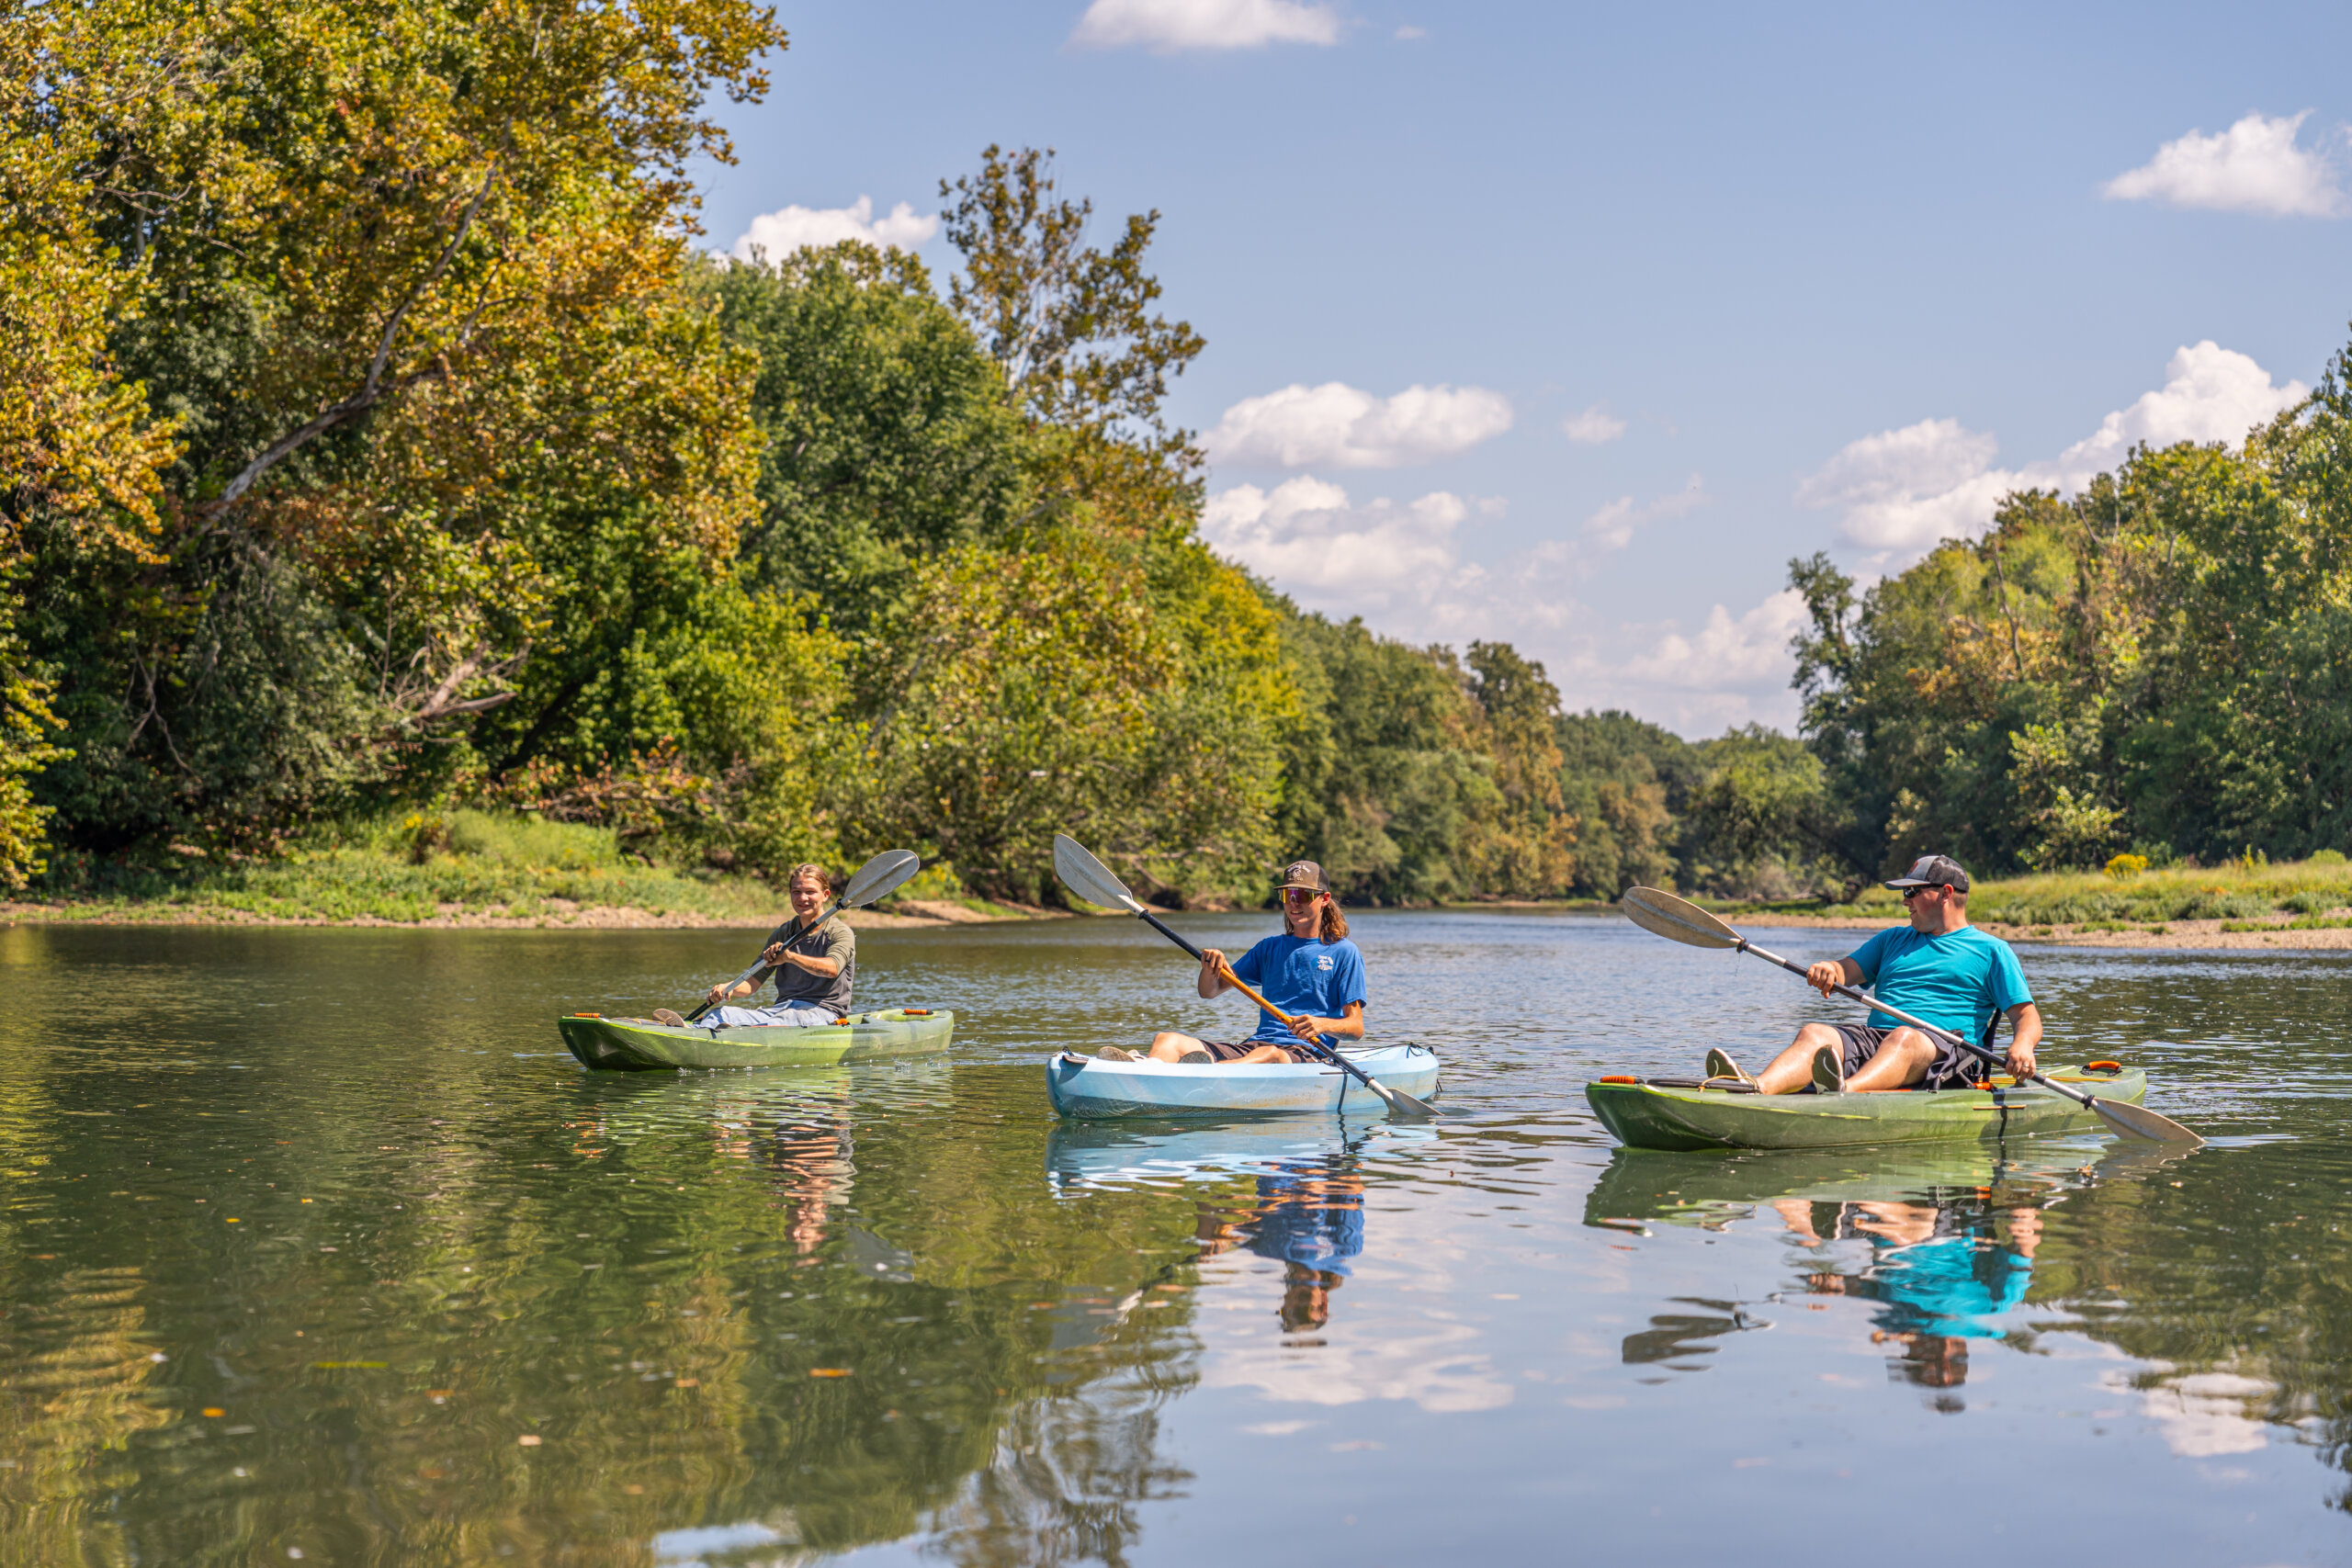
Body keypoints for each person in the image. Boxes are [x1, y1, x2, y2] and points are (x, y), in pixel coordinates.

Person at [1708, 853, 2041, 1094]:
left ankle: (1845, 1093)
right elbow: (1845, 970)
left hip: (1947, 1051)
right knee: (1815, 1033)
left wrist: (2022, 1047)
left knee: (1904, 1037)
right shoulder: (1891, 939)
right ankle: (1757, 1089)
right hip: (1879, 1041)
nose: (1904, 901)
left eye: (1911, 892)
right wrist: (1829, 970)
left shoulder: (1991, 950)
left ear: (1945, 894)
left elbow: (2027, 1018)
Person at [1102, 860, 1366, 1065]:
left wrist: (1322, 1024)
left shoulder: (1344, 952)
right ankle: (1147, 1073)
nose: (1294, 903)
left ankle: (1202, 1076)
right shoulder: (1269, 948)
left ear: (1325, 899)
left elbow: (1355, 1027)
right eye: (1288, 896)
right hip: (1257, 1046)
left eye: (1303, 895)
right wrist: (1210, 970)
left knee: (1270, 1056)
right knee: (1167, 1040)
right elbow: (1209, 991)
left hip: (1307, 1054)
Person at [652, 863, 854, 1028]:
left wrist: (791, 957)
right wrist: (728, 988)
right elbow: (753, 982)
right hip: (782, 1008)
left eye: (810, 892)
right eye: (796, 892)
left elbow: (832, 969)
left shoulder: (840, 932)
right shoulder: (783, 933)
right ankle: (692, 1030)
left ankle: (740, 1035)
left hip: (825, 1013)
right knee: (722, 1013)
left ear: (825, 895)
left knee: (783, 1022)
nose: (803, 898)